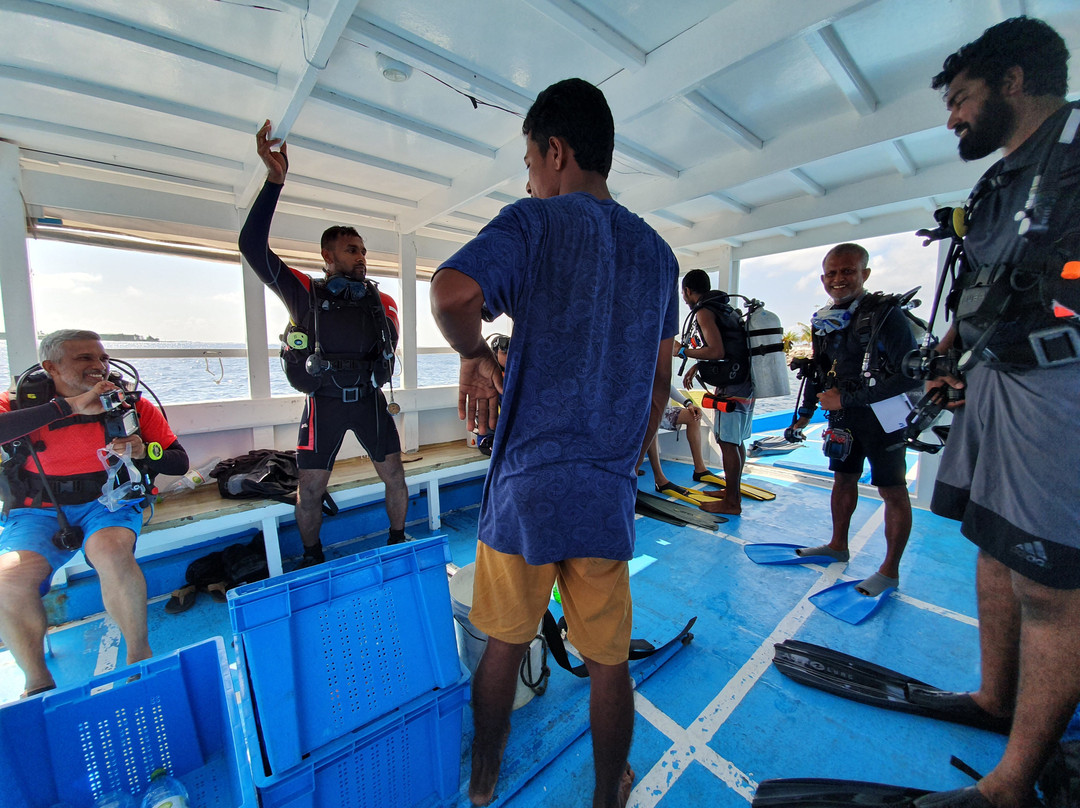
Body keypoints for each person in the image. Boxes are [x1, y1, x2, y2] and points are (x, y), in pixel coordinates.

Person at [430, 78, 678, 808]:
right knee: (607, 660)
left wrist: (475, 353)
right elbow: (660, 381)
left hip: (527, 487)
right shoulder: (659, 254)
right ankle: (609, 794)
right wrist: (624, 458)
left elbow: (452, 293)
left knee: (505, 640)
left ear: (556, 150)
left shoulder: (536, 224)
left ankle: (482, 784)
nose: (530, 178)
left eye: (530, 161)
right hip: (603, 489)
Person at [914, 18, 1080, 808]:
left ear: (1014, 82)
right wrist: (952, 349)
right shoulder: (995, 185)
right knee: (988, 540)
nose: (952, 118)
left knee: (1051, 584)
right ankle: (993, 698)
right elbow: (985, 281)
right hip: (993, 382)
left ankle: (1012, 786)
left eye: (962, 99)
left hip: (1061, 384)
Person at [239, 120, 409, 562]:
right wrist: (274, 182)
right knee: (310, 486)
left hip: (369, 399)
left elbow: (390, 351)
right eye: (352, 250)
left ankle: (397, 540)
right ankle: (313, 554)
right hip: (324, 403)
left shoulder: (379, 299)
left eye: (364, 250)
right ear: (327, 256)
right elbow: (252, 246)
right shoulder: (304, 293)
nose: (362, 257)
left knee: (395, 475)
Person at [0, 330, 187, 696]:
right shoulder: (19, 405)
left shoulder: (129, 405)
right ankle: (38, 685)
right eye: (84, 358)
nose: (98, 366)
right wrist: (68, 408)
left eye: (101, 357)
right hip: (38, 511)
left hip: (108, 503)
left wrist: (142, 451)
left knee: (112, 552)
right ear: (49, 367)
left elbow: (178, 462)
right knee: (8, 581)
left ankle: (139, 656)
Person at [789, 243, 919, 596]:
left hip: (883, 418)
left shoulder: (887, 316)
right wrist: (804, 415)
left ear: (865, 274)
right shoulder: (823, 320)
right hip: (843, 419)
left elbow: (912, 376)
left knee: (892, 490)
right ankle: (837, 545)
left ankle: (889, 571)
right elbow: (818, 370)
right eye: (831, 273)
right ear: (822, 278)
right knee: (842, 480)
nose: (839, 279)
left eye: (847, 271)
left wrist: (845, 398)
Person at [678, 270, 754, 515]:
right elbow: (728, 349)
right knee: (735, 441)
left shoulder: (704, 312)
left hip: (733, 385)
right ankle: (733, 492)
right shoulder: (725, 309)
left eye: (683, 293)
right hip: (744, 380)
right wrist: (698, 365)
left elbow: (717, 351)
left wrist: (683, 353)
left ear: (688, 291)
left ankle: (732, 502)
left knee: (728, 442)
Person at [637, 386, 710, 492]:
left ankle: (700, 469)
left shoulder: (656, 370)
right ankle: (658, 478)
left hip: (660, 409)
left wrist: (688, 403)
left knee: (692, 417)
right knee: (651, 424)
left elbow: (666, 384)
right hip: (639, 410)